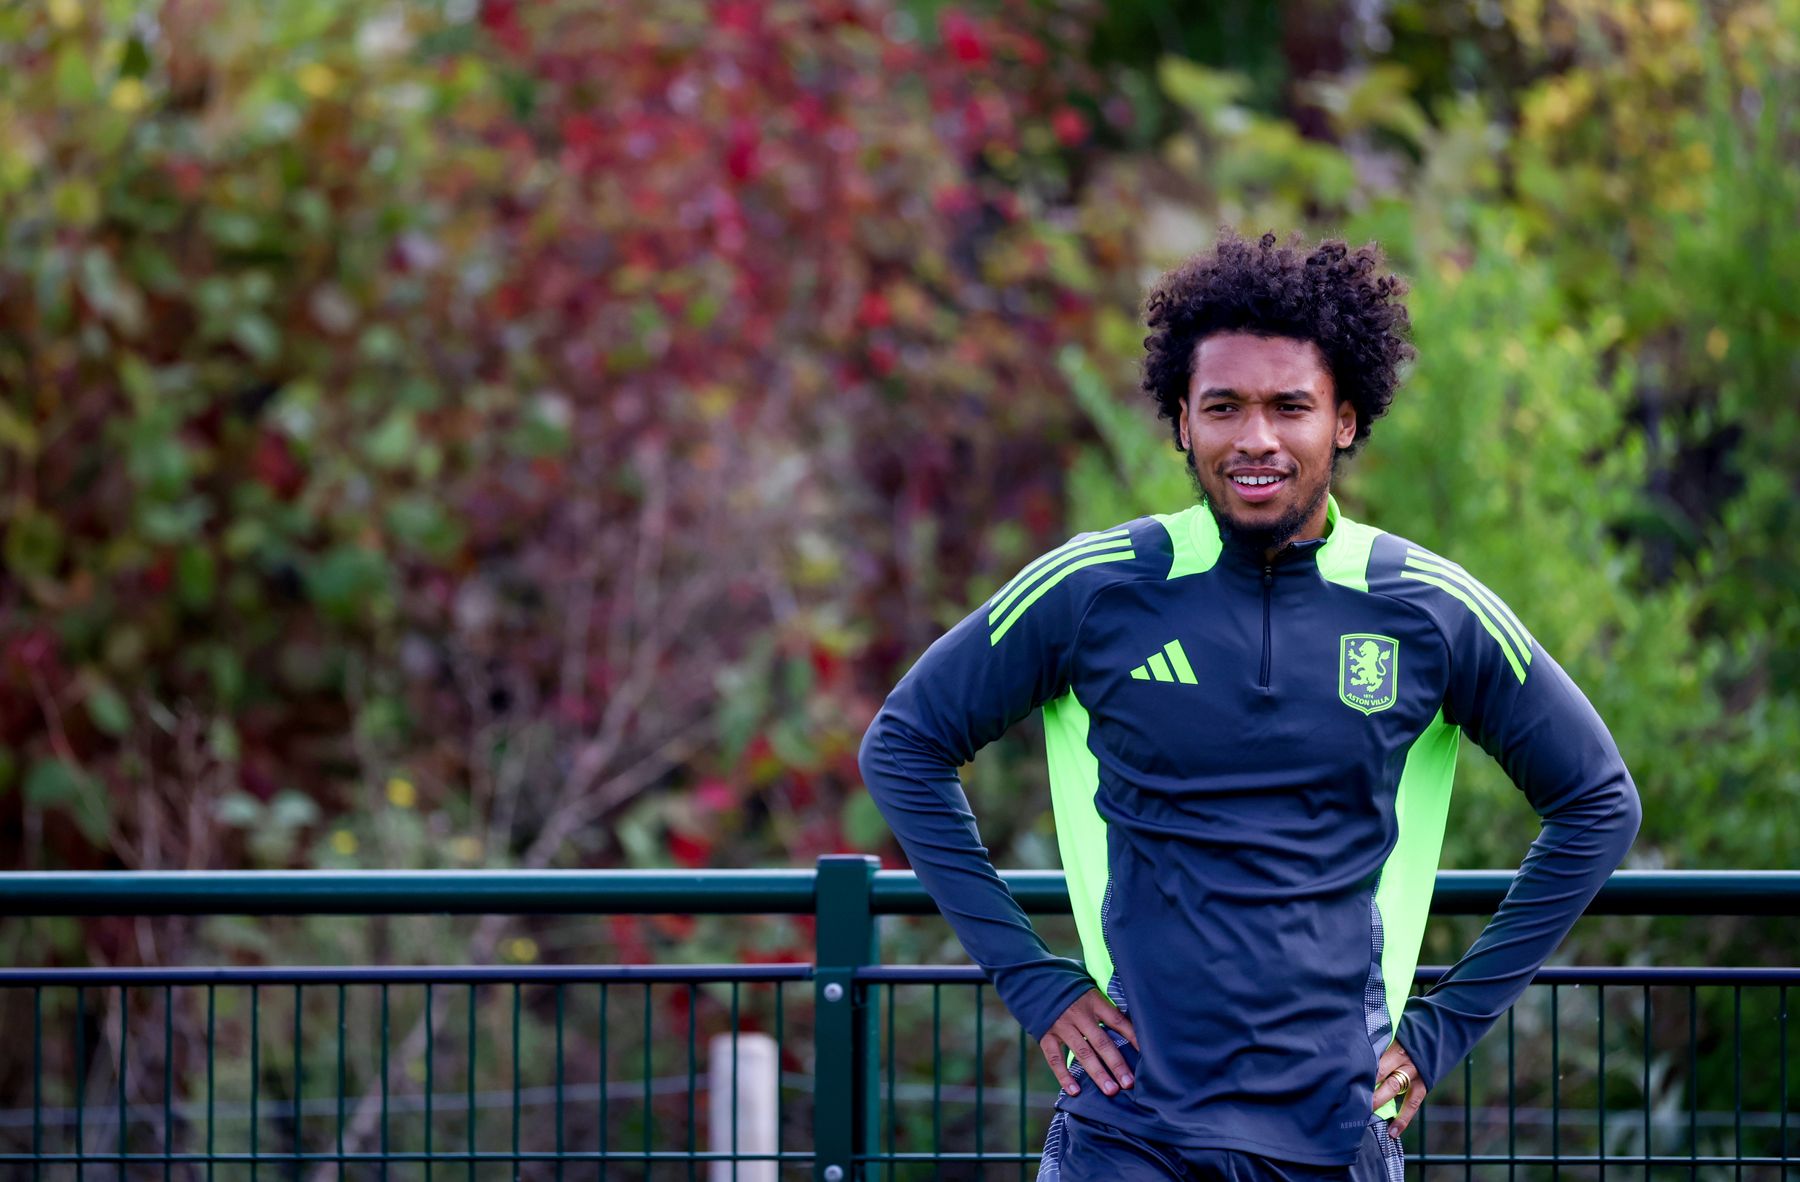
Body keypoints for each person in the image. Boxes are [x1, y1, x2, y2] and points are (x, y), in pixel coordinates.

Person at [856, 231, 1642, 1180]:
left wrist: (1440, 1032)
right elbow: (903, 744)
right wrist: (1034, 982)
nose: (1255, 439)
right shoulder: (1101, 587)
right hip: (1128, 1131)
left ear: (1345, 420)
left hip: (1335, 1137)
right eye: (1223, 407)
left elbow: (1598, 802)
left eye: (1290, 408)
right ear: (1183, 423)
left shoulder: (1426, 607)